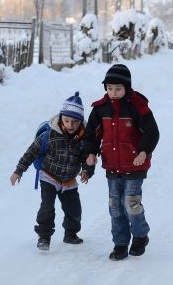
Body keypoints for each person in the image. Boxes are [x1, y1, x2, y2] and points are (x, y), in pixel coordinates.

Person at [84, 64, 160, 261]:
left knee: (131, 204)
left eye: (118, 88)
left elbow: (152, 132)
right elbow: (91, 134)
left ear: (127, 87)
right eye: (109, 88)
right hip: (112, 166)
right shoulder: (101, 109)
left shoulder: (137, 106)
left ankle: (141, 236)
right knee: (115, 207)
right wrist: (91, 152)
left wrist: (144, 151)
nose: (113, 93)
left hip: (134, 165)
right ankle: (120, 243)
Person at [10, 92, 95, 251]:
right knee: (47, 206)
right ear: (61, 118)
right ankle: (44, 237)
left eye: (75, 122)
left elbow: (87, 159)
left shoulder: (84, 139)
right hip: (49, 176)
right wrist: (18, 171)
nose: (70, 125)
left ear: (80, 122)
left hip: (69, 180)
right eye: (67, 120)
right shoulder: (49, 136)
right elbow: (31, 153)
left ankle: (70, 234)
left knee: (75, 210)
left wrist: (87, 171)